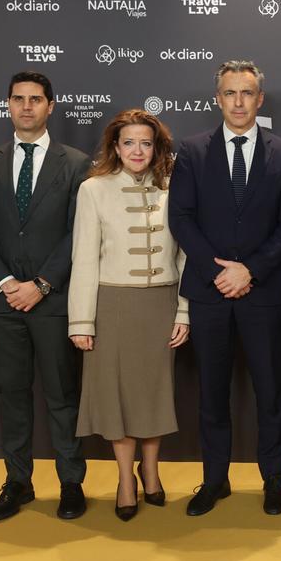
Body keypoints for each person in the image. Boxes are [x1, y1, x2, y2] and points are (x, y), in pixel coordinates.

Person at [168, 60, 281, 517]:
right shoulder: (190, 151)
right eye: (230, 93)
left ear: (260, 99)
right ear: (218, 99)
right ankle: (214, 480)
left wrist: (250, 270)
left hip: (263, 292)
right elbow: (181, 218)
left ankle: (273, 479)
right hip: (209, 294)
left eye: (247, 93)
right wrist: (218, 272)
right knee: (211, 392)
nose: (239, 102)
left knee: (270, 392)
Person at [0, 71, 91, 522]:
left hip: (53, 302)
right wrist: (8, 284)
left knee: (62, 395)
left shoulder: (75, 163)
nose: (26, 107)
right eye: (18, 99)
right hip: (2, 304)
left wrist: (40, 285)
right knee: (12, 395)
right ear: (8, 104)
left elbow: (79, 233)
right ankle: (18, 482)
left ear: (50, 106)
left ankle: (71, 483)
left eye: (35, 99)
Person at [67, 109, 190, 521]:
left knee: (153, 392)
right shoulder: (93, 190)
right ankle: (125, 479)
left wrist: (185, 310)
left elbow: (186, 255)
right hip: (112, 306)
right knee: (117, 397)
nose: (137, 150)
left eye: (146, 142)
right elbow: (83, 258)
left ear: (157, 148)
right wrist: (81, 321)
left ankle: (150, 471)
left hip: (161, 303)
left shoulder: (174, 187)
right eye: (128, 142)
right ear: (115, 147)